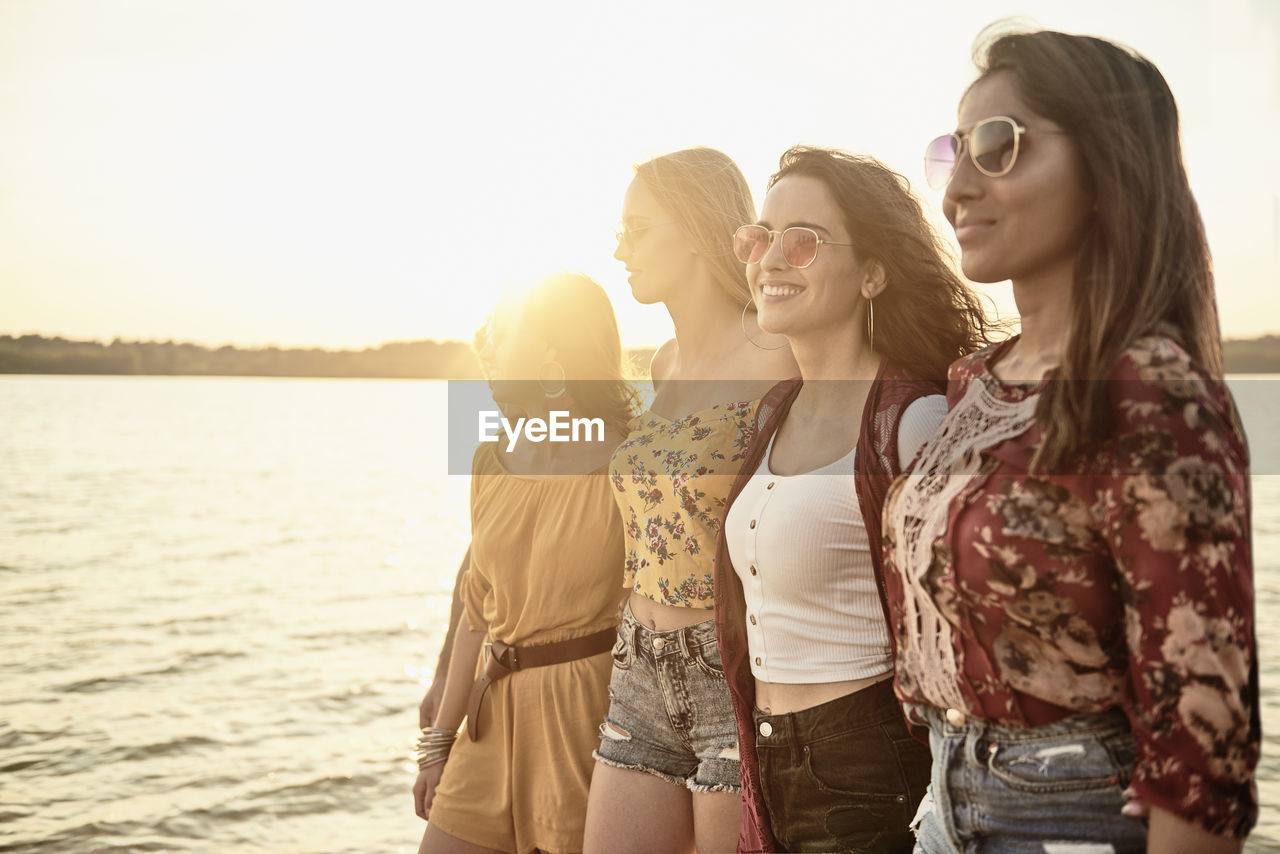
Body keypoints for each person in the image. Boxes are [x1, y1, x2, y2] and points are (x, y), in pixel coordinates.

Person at [882, 27, 1259, 853]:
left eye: (998, 146)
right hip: (944, 805)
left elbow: (1206, 740)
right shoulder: (972, 383)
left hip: (1068, 819)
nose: (957, 191)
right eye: (955, 151)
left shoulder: (1151, 395)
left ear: (1107, 165)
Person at [713, 146, 992, 853]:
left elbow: (972, 638)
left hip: (870, 771)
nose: (771, 258)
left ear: (872, 273)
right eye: (760, 237)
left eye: (802, 240)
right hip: (763, 762)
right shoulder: (772, 413)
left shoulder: (912, 422)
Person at [582, 148, 798, 854]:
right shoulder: (664, 363)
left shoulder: (781, 355)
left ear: (699, 228)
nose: (619, 249)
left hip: (730, 670)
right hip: (636, 665)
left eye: (637, 229)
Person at [413, 272, 639, 854]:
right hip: (492, 712)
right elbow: (476, 611)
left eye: (502, 328)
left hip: (581, 719)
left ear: (552, 353)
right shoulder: (489, 460)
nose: (483, 340)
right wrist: (439, 742)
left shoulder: (629, 463)